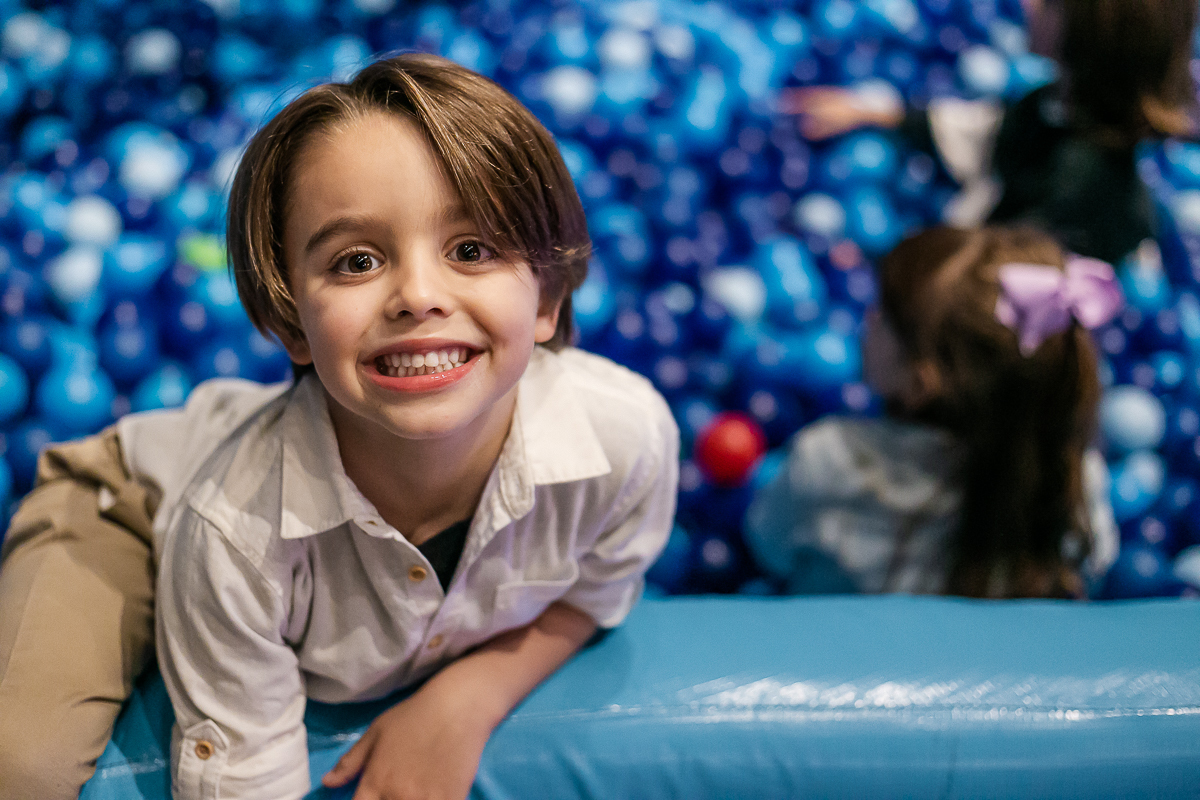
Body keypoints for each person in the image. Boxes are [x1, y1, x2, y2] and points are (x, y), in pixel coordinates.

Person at [0, 53, 679, 800]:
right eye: (357, 261)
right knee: (18, 764)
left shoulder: (624, 438)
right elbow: (248, 781)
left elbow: (596, 589)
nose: (418, 295)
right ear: (293, 323)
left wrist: (468, 698)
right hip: (127, 506)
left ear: (546, 300)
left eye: (471, 250)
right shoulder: (237, 534)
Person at [745, 226, 1121, 598]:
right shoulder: (1074, 478)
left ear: (920, 383)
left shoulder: (828, 459)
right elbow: (1097, 561)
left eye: (886, 315)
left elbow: (768, 545)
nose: (870, 318)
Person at [782, 0, 1198, 264]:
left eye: (1050, 4)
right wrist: (881, 114)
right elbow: (992, 131)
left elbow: (997, 262)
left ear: (1089, 38)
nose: (1028, 4)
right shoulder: (1058, 100)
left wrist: (885, 260)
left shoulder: (1081, 178)